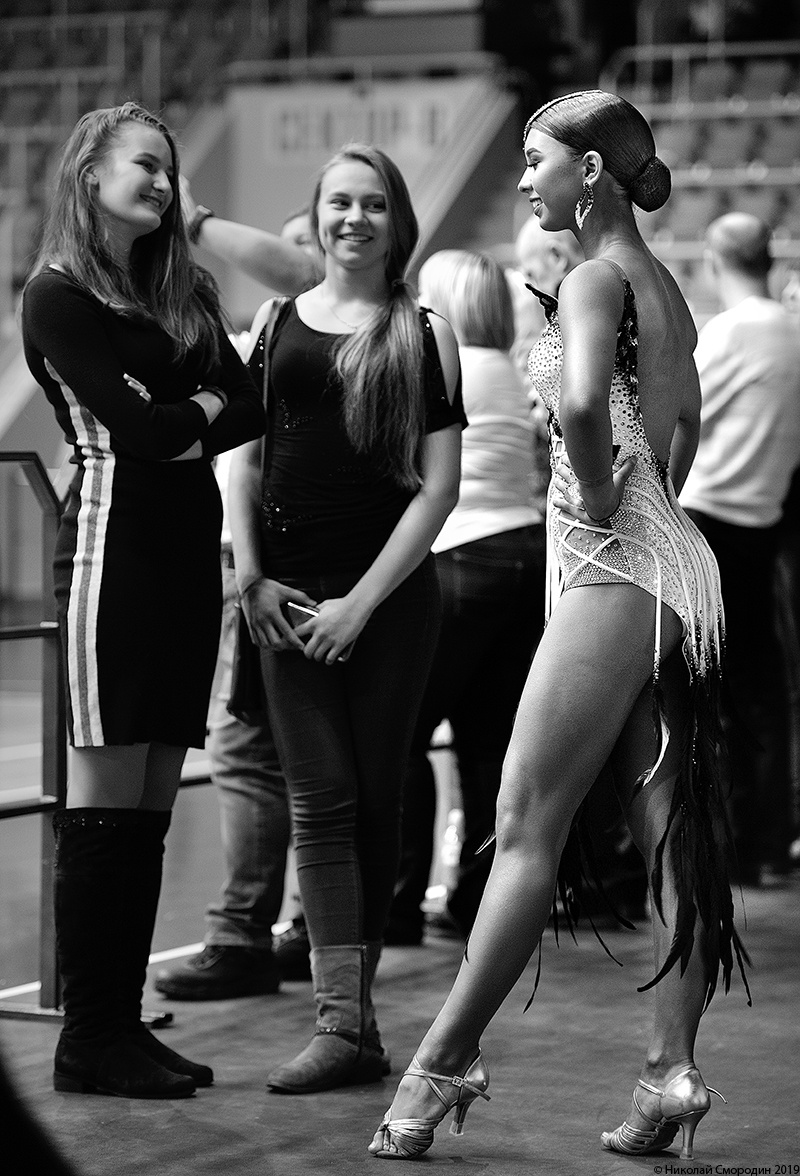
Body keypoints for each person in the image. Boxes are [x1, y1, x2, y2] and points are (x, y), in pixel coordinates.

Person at [368, 89, 748, 1163]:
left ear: (588, 173)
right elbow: (685, 426)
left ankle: (440, 1062)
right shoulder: (662, 285)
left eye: (536, 159)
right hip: (672, 569)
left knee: (525, 824)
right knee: (668, 830)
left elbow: (583, 405)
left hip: (615, 569)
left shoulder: (591, 277)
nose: (526, 177)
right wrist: (639, 499)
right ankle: (668, 1073)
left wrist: (596, 490)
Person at [21, 102, 264, 1099]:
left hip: (183, 560)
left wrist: (184, 409)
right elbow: (143, 431)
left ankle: (120, 1025)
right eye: (145, 165)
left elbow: (248, 403)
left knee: (152, 805)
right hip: (110, 555)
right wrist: (195, 406)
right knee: (105, 808)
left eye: (169, 168)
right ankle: (88, 1039)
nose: (163, 183)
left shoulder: (183, 287)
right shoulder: (57, 296)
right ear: (90, 174)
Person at [228, 142, 465, 1094]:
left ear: (396, 220)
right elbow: (243, 459)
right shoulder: (274, 321)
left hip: (389, 604)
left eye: (372, 203)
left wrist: (360, 606)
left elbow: (438, 489)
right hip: (286, 601)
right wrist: (251, 577)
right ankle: (343, 1026)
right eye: (338, 202)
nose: (353, 219)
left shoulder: (425, 330)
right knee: (320, 798)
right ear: (316, 215)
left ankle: (354, 1024)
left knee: (373, 798)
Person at [154, 207, 319, 1002]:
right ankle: (295, 929)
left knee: (251, 753)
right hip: (274, 558)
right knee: (290, 757)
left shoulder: (311, 318)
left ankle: (244, 933)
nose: (289, 257)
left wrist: (197, 218)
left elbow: (246, 461)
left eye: (300, 241)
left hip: (277, 559)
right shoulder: (290, 331)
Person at [387, 249, 546, 945]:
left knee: (401, 734)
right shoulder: (506, 369)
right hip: (523, 556)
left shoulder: (448, 365)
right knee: (487, 741)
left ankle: (394, 904)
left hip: (463, 556)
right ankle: (476, 901)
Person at [680, 212, 800, 886]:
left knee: (706, 692)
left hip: (710, 523)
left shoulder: (732, 333)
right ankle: (766, 844)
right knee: (761, 689)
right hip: (764, 524)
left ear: (713, 260)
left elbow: (680, 411)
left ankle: (718, 846)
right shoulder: (793, 332)